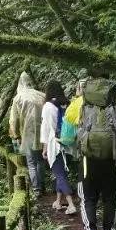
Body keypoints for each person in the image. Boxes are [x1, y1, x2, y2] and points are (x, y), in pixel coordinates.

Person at [64, 69, 116, 230]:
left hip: (88, 158)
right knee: (110, 198)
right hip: (111, 157)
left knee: (88, 198)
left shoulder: (83, 100)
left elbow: (68, 118)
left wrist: (79, 97)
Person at [40, 81, 77, 215]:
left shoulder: (48, 106)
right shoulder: (66, 103)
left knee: (59, 174)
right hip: (67, 143)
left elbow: (47, 129)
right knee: (61, 173)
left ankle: (71, 204)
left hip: (54, 145)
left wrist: (44, 148)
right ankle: (58, 201)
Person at [9, 72, 46, 196]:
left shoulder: (18, 98)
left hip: (27, 132)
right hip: (43, 132)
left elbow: (14, 119)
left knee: (31, 162)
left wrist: (15, 135)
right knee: (40, 160)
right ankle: (42, 185)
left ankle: (36, 188)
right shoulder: (41, 95)